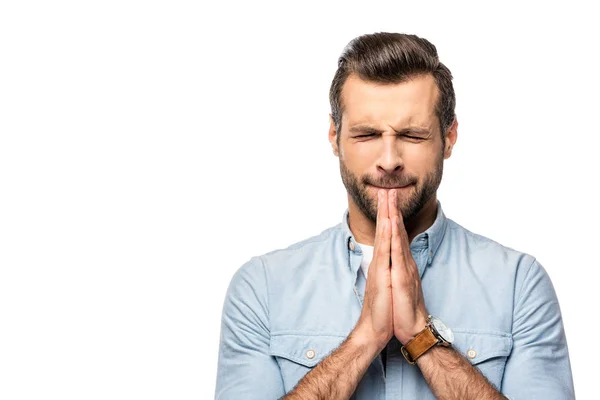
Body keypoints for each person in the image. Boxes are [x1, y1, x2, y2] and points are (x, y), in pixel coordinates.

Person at [214, 32, 575, 399]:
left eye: (413, 135)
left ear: (449, 137)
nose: (389, 161)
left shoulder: (518, 285)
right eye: (367, 134)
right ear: (334, 135)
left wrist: (422, 336)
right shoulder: (262, 288)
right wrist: (365, 338)